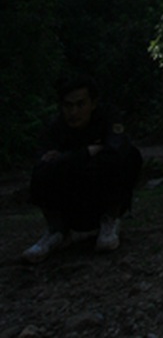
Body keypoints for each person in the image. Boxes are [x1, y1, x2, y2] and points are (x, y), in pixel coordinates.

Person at [22, 74, 143, 263]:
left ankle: (110, 220)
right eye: (68, 106)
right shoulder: (55, 128)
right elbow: (43, 162)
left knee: (128, 157)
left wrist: (66, 159)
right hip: (70, 202)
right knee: (43, 172)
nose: (74, 112)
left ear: (93, 104)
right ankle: (56, 231)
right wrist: (84, 153)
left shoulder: (107, 118)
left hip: (100, 196)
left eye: (80, 104)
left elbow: (117, 148)